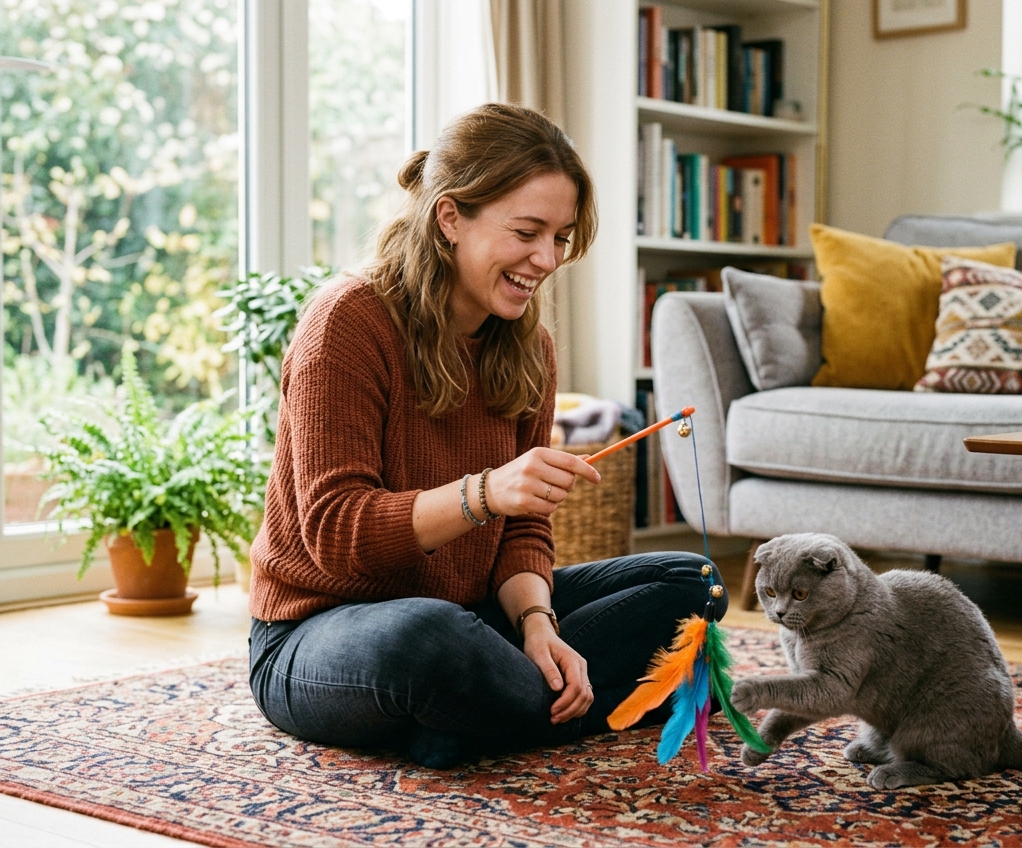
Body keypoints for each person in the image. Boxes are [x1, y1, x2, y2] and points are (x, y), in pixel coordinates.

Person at [247, 102, 725, 769]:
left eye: (560, 237)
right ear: (450, 217)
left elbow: (524, 533)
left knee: (693, 583)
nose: (547, 259)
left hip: (477, 617)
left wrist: (537, 625)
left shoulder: (531, 348)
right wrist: (486, 494)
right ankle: (530, 713)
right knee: (428, 637)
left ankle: (471, 724)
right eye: (528, 231)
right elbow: (336, 535)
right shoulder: (347, 323)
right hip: (322, 633)